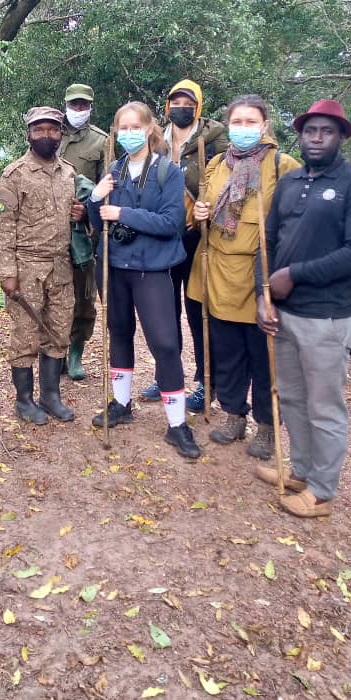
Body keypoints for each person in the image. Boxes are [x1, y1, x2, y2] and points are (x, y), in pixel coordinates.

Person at [256, 100, 351, 518]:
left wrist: (296, 274)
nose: (317, 138)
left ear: (342, 136)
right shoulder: (290, 183)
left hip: (327, 316)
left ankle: (322, 492)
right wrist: (264, 293)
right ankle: (302, 472)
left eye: (326, 131)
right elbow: (268, 242)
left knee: (324, 405)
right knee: (291, 397)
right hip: (285, 313)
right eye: (311, 131)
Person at [188, 94, 300, 459]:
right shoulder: (217, 163)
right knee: (227, 351)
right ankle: (234, 414)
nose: (243, 129)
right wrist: (201, 212)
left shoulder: (282, 165)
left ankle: (267, 427)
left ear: (265, 125)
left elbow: (297, 221)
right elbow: (200, 214)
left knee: (263, 354)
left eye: (251, 122)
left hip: (260, 273)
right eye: (237, 122)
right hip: (219, 269)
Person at [88, 101, 200, 459]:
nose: (128, 134)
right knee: (119, 333)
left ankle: (177, 424)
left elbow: (171, 224)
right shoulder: (113, 170)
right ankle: (121, 405)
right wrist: (95, 198)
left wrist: (124, 212)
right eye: (123, 128)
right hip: (114, 266)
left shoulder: (169, 172)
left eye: (136, 127)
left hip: (152, 269)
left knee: (165, 343)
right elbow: (96, 220)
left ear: (151, 129)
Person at [140, 79, 227, 412]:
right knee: (165, 309)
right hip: (163, 234)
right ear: (167, 106)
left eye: (188, 103)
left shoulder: (213, 140)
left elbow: (223, 184)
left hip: (197, 236)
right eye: (176, 101)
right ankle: (167, 374)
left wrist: (206, 207)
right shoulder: (157, 139)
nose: (181, 107)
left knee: (198, 309)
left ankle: (207, 382)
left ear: (198, 106)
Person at [0, 107, 82, 425]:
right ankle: (24, 399)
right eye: (39, 130)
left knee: (58, 332)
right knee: (26, 334)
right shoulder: (14, 175)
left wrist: (81, 215)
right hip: (26, 266)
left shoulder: (70, 173)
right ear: (29, 134)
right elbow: (2, 226)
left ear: (61, 134)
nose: (47, 135)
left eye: (53, 130)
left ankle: (51, 396)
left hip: (61, 266)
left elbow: (77, 218)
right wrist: (6, 273)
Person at [58, 83, 110, 380]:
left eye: (83, 105)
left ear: (91, 106)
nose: (78, 110)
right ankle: (56, 351)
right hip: (49, 227)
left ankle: (76, 351)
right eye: (74, 104)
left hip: (82, 230)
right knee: (50, 292)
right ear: (65, 104)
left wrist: (87, 211)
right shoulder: (49, 131)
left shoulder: (100, 142)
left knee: (83, 294)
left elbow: (105, 189)